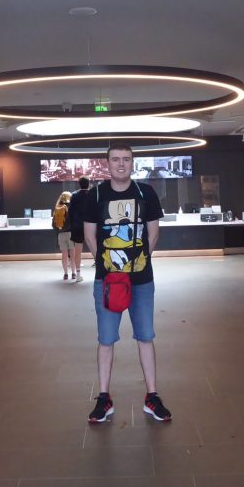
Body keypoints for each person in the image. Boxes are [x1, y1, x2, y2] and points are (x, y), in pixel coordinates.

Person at [83, 142, 171, 423]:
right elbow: (89, 236)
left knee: (145, 336)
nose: (121, 164)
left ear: (133, 163)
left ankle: (152, 396)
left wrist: (138, 262)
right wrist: (108, 266)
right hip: (108, 282)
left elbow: (153, 233)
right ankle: (104, 398)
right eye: (116, 159)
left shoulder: (146, 193)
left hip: (142, 281)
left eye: (126, 159)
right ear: (107, 163)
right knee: (106, 339)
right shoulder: (95, 195)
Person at [68, 176, 91, 281]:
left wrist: (72, 225)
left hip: (77, 226)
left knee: (78, 251)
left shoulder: (74, 195)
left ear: (79, 184)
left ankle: (78, 275)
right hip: (91, 225)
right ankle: (100, 275)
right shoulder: (92, 195)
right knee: (96, 249)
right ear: (89, 184)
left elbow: (70, 212)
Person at [52, 191, 77, 281]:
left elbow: (53, 224)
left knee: (64, 255)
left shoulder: (57, 208)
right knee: (73, 255)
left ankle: (65, 274)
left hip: (61, 234)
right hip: (71, 234)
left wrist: (59, 230)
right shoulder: (71, 208)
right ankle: (73, 273)